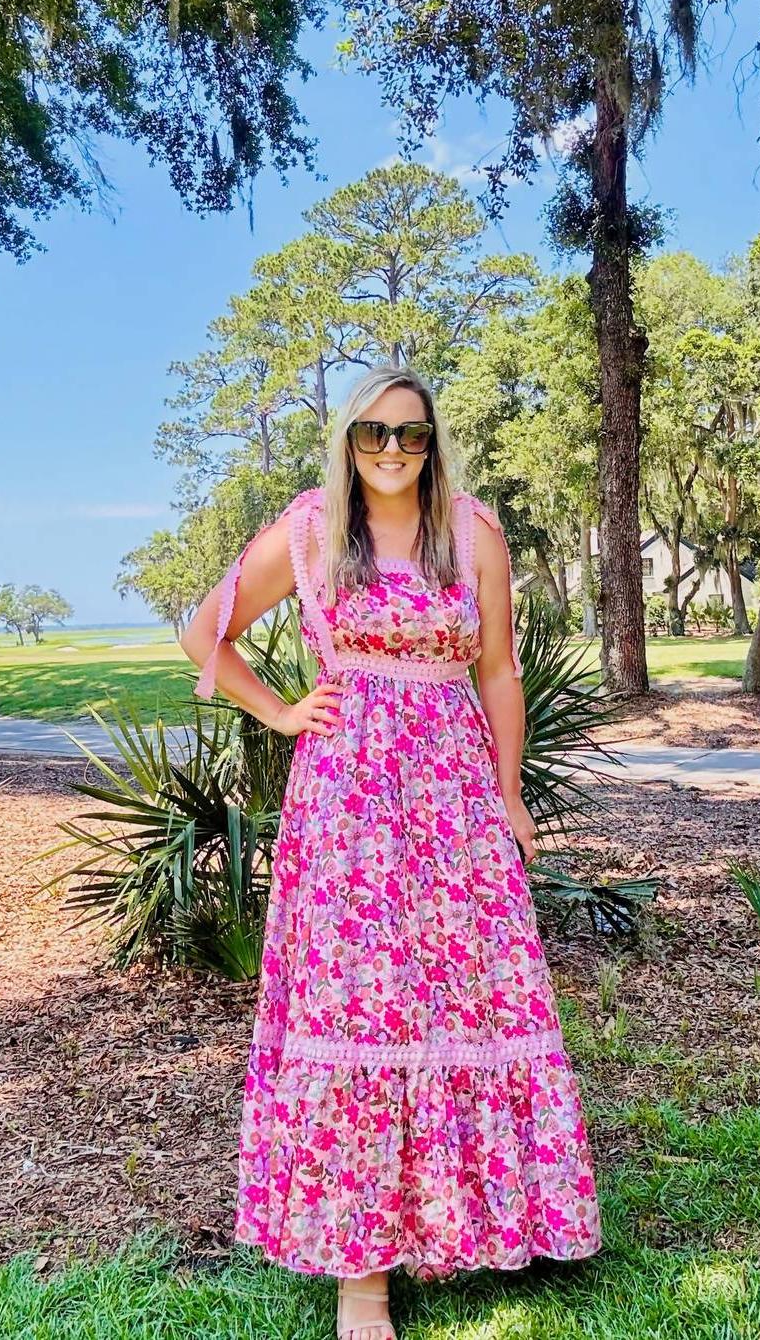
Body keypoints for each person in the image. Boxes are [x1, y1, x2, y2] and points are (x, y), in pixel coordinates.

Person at [181, 365, 602, 1340]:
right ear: (347, 440)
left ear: (432, 445)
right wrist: (281, 711)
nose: (391, 452)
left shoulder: (475, 534)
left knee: (467, 993)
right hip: (349, 807)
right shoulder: (312, 531)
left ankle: (469, 1218)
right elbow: (203, 630)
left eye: (410, 436)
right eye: (373, 434)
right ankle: (360, 1275)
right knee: (356, 1010)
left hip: (454, 800)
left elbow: (496, 672)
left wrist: (506, 794)